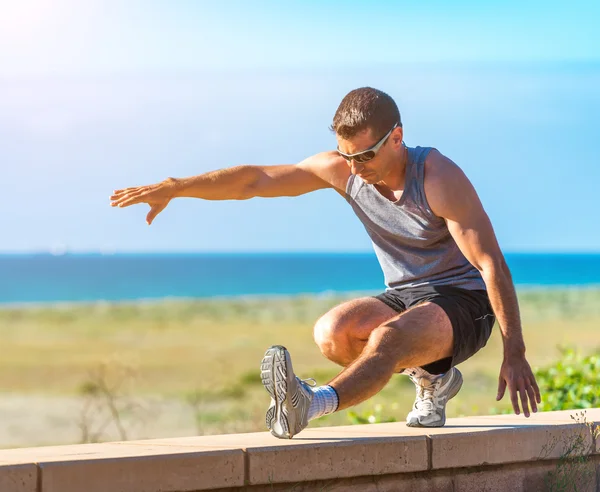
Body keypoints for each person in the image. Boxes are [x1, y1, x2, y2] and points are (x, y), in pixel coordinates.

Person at [110, 87, 541, 439]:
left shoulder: (438, 178)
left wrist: (515, 351)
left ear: (396, 137)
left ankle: (310, 404)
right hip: (406, 295)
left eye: (365, 156)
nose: (355, 167)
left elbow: (491, 266)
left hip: (464, 301)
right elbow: (254, 181)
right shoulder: (345, 169)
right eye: (347, 156)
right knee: (333, 333)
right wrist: (175, 186)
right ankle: (434, 378)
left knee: (388, 339)